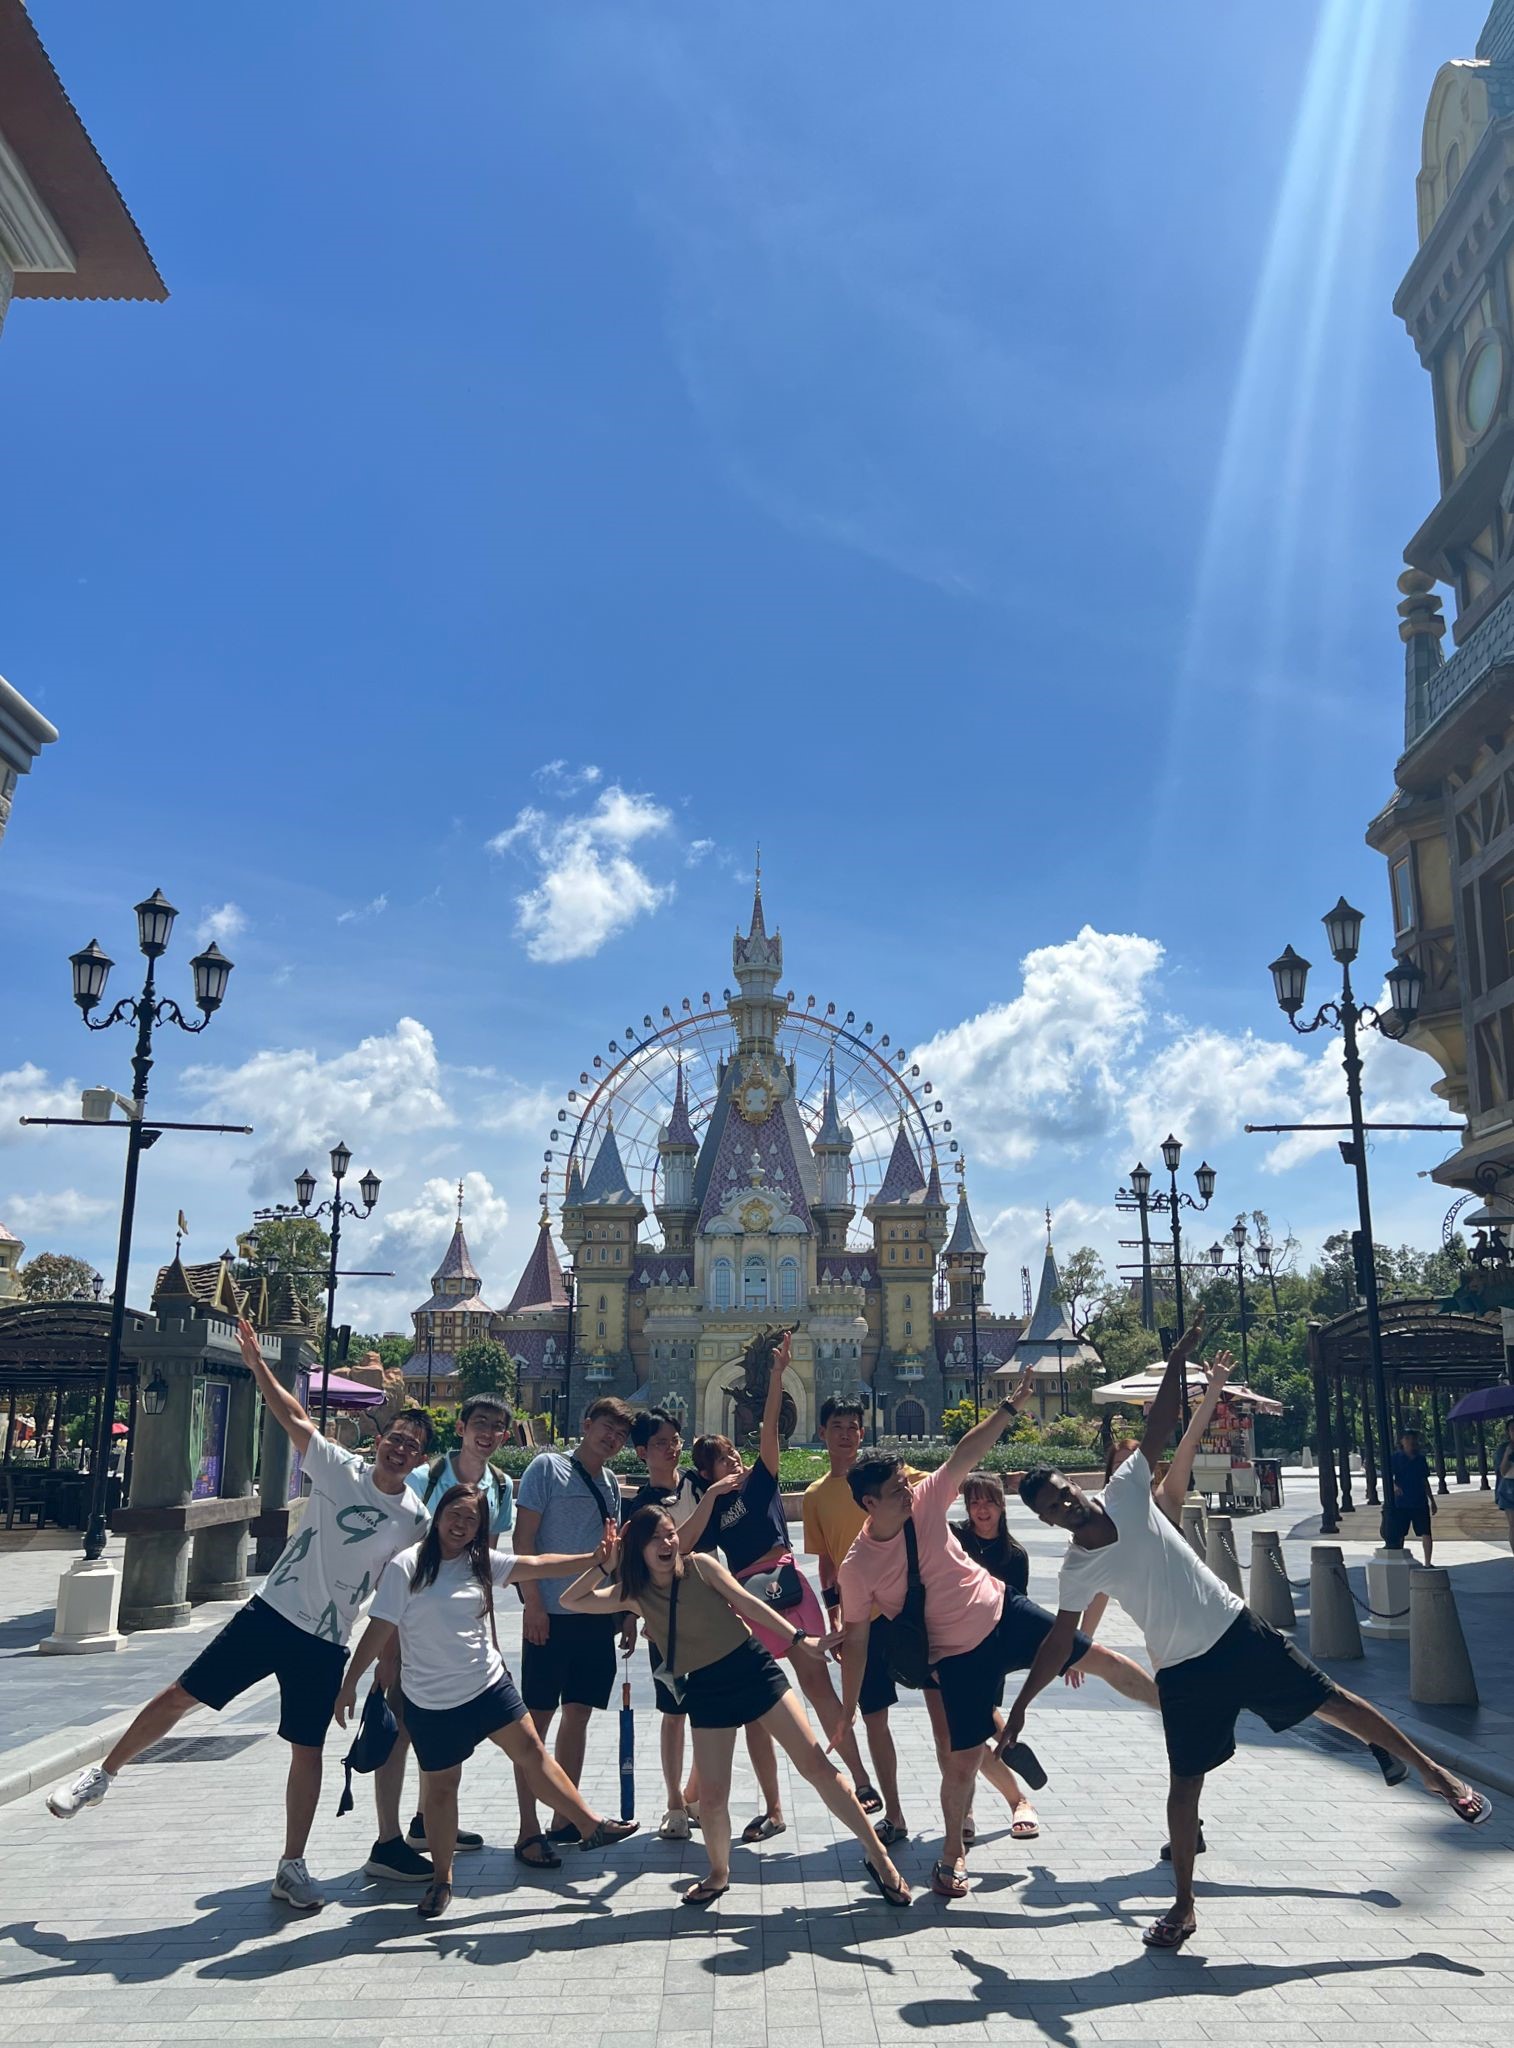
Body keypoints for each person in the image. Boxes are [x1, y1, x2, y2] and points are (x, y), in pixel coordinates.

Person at [1008, 1322, 1493, 1954]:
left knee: (1336, 1701)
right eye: (1053, 1510)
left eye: (1065, 1496)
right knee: (1184, 1788)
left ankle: (1436, 1775)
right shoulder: (1077, 1567)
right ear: (1046, 1519)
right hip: (1182, 1671)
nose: (1066, 1509)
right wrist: (1021, 1705)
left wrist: (1179, 1362)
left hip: (1236, 1631)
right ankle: (1183, 1906)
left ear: (1076, 1487)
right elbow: (1058, 1641)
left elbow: (1160, 1429)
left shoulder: (1128, 1489)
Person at [46, 1316, 434, 1911]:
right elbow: (294, 1419)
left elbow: (398, 1594)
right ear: (380, 1439)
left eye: (413, 1446)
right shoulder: (340, 1469)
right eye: (396, 1438)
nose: (400, 1448)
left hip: (327, 1640)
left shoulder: (414, 1520)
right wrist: (257, 1364)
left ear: (419, 1460)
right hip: (271, 1612)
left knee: (308, 1750)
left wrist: (384, 1666)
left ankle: (291, 1865)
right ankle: (103, 1774)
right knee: (182, 1694)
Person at [836, 1364, 1156, 1899]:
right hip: (956, 1655)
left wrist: (1009, 1409)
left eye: (906, 1482)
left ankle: (1174, 1705)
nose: (908, 1491)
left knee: (1095, 1657)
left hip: (1001, 1611)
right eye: (896, 1490)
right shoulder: (857, 1567)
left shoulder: (928, 1498)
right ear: (870, 1504)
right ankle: (951, 1856)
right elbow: (859, 1639)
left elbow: (967, 1453)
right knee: (960, 1761)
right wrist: (847, 1708)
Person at [561, 1504, 911, 1908]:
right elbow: (573, 1600)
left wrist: (802, 1640)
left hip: (751, 1669)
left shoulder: (701, 1567)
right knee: (712, 1798)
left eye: (670, 1533)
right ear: (637, 1548)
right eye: (656, 1537)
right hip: (706, 1689)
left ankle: (880, 1858)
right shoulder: (635, 1594)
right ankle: (718, 1873)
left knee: (816, 1765)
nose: (667, 1542)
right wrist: (604, 1564)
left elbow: (748, 1603)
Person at [336, 1482, 637, 1920]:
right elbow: (380, 1627)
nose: (461, 1525)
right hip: (432, 1700)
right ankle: (442, 1881)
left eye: (471, 1519)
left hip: (488, 1686)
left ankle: (590, 1825)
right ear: (439, 1515)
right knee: (442, 1791)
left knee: (532, 1753)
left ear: (480, 1528)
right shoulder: (408, 1566)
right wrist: (351, 1683)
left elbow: (535, 1565)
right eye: (455, 1514)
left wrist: (593, 1559)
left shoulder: (480, 1563)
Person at [692, 1331, 880, 1839]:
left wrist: (776, 1376)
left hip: (791, 1589)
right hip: (752, 1602)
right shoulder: (714, 1508)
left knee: (819, 1687)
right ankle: (774, 1809)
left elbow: (770, 1426)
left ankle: (861, 1778)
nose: (734, 1462)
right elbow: (686, 1546)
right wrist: (709, 1498)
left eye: (735, 1455)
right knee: (759, 1707)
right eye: (723, 1459)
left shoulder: (761, 1480)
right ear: (706, 1472)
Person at [374, 1390, 517, 1868]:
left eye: (498, 1427)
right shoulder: (424, 1476)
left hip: (453, 1627)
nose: (489, 1433)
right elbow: (396, 1547)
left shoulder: (499, 1485)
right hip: (407, 1616)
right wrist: (387, 1642)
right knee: (397, 1726)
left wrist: (488, 1630)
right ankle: (387, 1839)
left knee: (435, 1726)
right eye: (481, 1422)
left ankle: (425, 1821)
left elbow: (484, 1566)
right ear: (461, 1426)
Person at [512, 1395, 635, 1867]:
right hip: (550, 1617)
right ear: (587, 1424)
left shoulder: (608, 1483)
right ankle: (528, 1831)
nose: (612, 1439)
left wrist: (625, 1612)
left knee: (578, 1716)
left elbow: (613, 1554)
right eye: (606, 1428)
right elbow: (524, 1542)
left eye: (621, 1435)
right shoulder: (547, 1468)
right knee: (534, 1730)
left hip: (594, 1616)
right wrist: (533, 1606)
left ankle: (564, 1818)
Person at [624, 1405, 737, 1840]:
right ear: (641, 1452)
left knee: (707, 1708)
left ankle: (694, 1794)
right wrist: (634, 1618)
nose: (670, 1449)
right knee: (673, 1711)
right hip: (667, 1621)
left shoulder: (695, 1480)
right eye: (659, 1443)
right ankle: (674, 1801)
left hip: (710, 1611)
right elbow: (636, 1568)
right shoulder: (642, 1508)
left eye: (674, 1440)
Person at [1390, 1426, 1436, 1567]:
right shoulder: (1396, 1458)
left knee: (1426, 1532)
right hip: (1402, 1502)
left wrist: (1432, 1500)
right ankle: (1399, 1560)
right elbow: (1388, 1477)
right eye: (1407, 1438)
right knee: (1399, 1533)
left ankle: (1428, 1562)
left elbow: (1424, 1480)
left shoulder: (1420, 1459)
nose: (1411, 1441)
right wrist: (1395, 1487)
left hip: (1419, 1501)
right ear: (1402, 1441)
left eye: (1413, 1438)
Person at [1497, 1416, 1514, 1555]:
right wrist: (1507, 1454)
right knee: (1513, 1525)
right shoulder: (1504, 1448)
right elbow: (1503, 1471)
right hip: (1509, 1486)